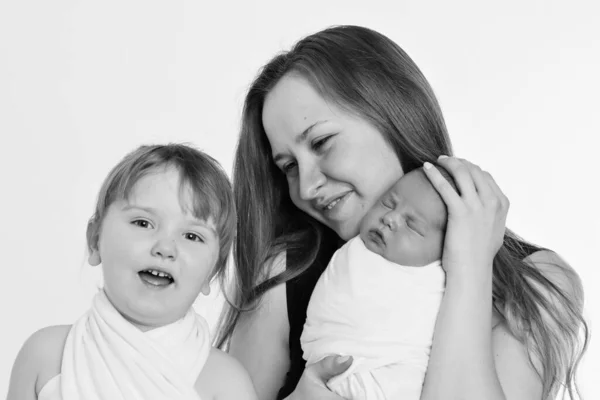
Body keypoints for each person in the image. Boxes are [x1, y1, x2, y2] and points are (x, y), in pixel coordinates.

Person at [216, 25, 588, 400]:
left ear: (392, 116)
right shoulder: (284, 273)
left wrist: (471, 268)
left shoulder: (537, 279)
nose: (307, 186)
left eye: (321, 142)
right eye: (289, 166)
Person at [7, 144, 257, 400]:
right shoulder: (46, 356)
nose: (165, 248)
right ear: (95, 240)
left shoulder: (225, 383)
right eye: (143, 223)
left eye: (192, 236)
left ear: (212, 272)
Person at [302, 167, 454, 399]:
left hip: (397, 373)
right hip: (332, 367)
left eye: (412, 225)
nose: (390, 218)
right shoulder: (351, 254)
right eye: (388, 203)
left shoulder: (440, 280)